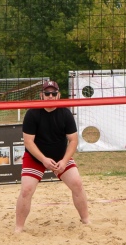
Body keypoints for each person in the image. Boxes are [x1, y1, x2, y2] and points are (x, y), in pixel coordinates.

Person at [15, 80, 89, 233]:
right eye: (47, 93)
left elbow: (73, 140)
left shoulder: (65, 112)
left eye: (53, 93)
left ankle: (86, 220)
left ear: (58, 95)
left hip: (60, 157)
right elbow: (28, 142)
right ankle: (19, 227)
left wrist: (64, 161)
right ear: (41, 95)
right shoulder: (32, 113)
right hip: (36, 158)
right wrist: (43, 160)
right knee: (26, 190)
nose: (50, 96)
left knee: (77, 183)